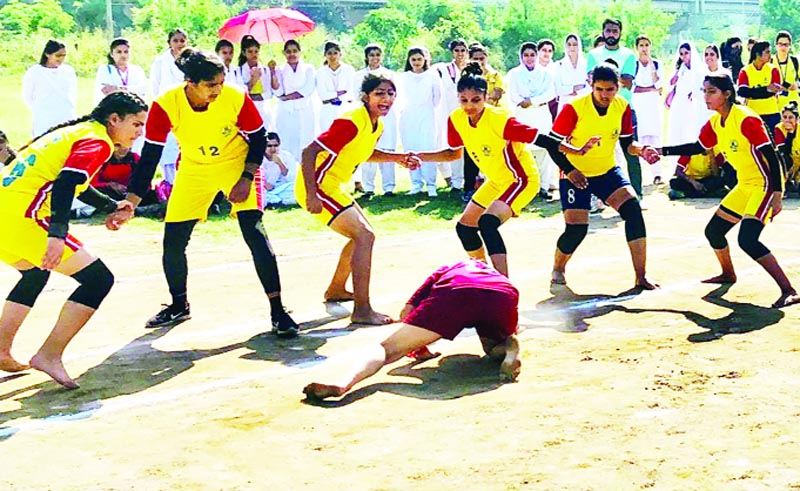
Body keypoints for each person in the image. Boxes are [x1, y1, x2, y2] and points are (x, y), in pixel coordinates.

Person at [110, 49, 300, 337]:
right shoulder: (165, 105)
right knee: (173, 240)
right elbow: (150, 156)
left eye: (221, 83)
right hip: (195, 168)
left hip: (237, 164)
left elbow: (259, 138)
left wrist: (246, 178)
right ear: (190, 82)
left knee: (255, 232)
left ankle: (278, 311)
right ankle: (178, 305)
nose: (218, 90)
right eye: (211, 85)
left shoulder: (235, 97)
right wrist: (131, 203)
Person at [0, 92, 147, 388]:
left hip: (6, 214)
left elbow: (71, 182)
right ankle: (49, 355)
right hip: (23, 218)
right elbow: (67, 183)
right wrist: (57, 234)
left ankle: (1, 350)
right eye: (136, 123)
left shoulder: (77, 132)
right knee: (98, 280)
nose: (139, 132)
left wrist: (110, 205)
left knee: (34, 274)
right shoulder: (98, 141)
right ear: (114, 119)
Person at [417, 63, 595, 277]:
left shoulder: (499, 119)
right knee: (464, 228)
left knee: (488, 223)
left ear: (485, 97)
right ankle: (483, 277)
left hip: (521, 179)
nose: (469, 106)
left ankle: (503, 284)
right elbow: (453, 153)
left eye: (476, 100)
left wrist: (575, 151)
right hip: (496, 181)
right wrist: (419, 157)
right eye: (464, 100)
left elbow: (544, 139)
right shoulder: (456, 119)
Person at [659, 74, 800, 308]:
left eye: (711, 91)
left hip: (765, 185)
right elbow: (697, 147)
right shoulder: (715, 122)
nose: (706, 96)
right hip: (745, 184)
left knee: (748, 239)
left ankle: (789, 289)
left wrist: (777, 194)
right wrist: (659, 150)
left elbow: (772, 157)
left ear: (726, 94)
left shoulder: (745, 119)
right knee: (714, 231)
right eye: (704, 91)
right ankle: (728, 274)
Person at [297, 74, 420, 325]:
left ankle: (336, 290)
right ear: (366, 97)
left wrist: (397, 158)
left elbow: (364, 151)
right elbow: (309, 151)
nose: (386, 99)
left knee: (362, 236)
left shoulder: (376, 124)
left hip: (332, 186)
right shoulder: (352, 121)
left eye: (390, 93)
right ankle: (362, 310)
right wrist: (311, 193)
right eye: (379, 93)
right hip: (319, 185)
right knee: (365, 236)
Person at [302, 259, 522, 400]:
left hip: (456, 291)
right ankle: (511, 349)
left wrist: (419, 344)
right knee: (494, 348)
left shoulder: (449, 268)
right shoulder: (497, 277)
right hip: (503, 294)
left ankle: (344, 382)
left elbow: (406, 313)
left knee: (386, 349)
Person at [546, 63, 660, 289]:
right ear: (591, 85)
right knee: (577, 229)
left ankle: (641, 275)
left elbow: (627, 142)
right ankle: (558, 268)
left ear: (618, 87)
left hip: (607, 170)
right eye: (599, 89)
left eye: (610, 89)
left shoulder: (622, 106)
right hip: (574, 173)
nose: (604, 95)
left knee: (633, 210)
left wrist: (642, 150)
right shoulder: (574, 108)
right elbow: (552, 144)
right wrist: (570, 171)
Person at [586, 18, 643, 198]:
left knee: (631, 151)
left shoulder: (628, 55)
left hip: (624, 108)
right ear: (603, 32)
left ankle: (637, 193)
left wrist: (603, 79)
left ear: (620, 33)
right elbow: (591, 80)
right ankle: (595, 197)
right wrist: (611, 81)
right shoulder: (593, 55)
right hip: (597, 109)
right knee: (594, 150)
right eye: (608, 31)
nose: (611, 34)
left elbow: (627, 82)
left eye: (615, 31)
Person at [507, 42, 557, 200]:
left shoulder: (546, 73)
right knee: (524, 151)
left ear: (537, 55)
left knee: (544, 150)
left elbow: (550, 93)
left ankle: (543, 186)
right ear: (521, 57)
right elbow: (513, 94)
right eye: (526, 55)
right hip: (523, 115)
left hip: (541, 113)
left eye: (532, 55)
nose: (529, 58)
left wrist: (533, 101)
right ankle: (527, 186)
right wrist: (524, 102)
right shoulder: (514, 74)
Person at [353, 44, 398, 197]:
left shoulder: (389, 75)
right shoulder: (359, 75)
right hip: (367, 117)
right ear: (366, 57)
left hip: (387, 116)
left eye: (378, 55)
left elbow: (395, 95)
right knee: (367, 150)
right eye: (372, 55)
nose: (375, 58)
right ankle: (368, 187)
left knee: (387, 150)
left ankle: (389, 187)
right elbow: (356, 96)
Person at [398, 47, 442, 197]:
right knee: (411, 148)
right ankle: (416, 183)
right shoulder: (403, 77)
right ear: (409, 61)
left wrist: (426, 108)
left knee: (428, 148)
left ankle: (431, 184)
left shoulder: (432, 76)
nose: (416, 62)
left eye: (419, 59)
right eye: (413, 59)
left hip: (427, 115)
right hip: (408, 117)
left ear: (425, 60)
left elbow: (437, 97)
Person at [149, 28, 188, 186]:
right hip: (167, 107)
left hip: (187, 108)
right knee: (169, 147)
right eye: (176, 41)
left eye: (182, 41)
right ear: (169, 43)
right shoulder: (161, 62)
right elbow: (155, 86)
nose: (179, 44)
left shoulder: (191, 60)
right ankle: (170, 183)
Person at [433, 39, 469, 194]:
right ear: (452, 52)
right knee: (455, 146)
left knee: (470, 148)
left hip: (469, 112)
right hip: (450, 113)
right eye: (457, 50)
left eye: (462, 50)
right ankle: (455, 181)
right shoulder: (444, 69)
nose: (460, 54)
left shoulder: (471, 69)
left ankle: (473, 180)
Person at [22, 40, 77, 138]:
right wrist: (40, 109)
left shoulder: (68, 71)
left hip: (66, 115)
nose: (61, 59)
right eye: (58, 55)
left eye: (64, 55)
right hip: (44, 117)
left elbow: (73, 92)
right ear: (48, 54)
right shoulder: (35, 71)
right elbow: (27, 96)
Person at [274, 40, 317, 162]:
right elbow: (278, 92)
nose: (292, 54)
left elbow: (308, 89)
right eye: (288, 52)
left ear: (300, 52)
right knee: (286, 139)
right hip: (285, 111)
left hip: (304, 109)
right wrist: (272, 73)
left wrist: (288, 97)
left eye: (294, 51)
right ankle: (287, 169)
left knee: (305, 139)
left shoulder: (308, 69)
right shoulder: (279, 70)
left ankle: (304, 168)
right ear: (284, 53)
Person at [632, 35, 665, 185]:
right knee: (640, 138)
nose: (644, 48)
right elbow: (632, 87)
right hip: (639, 104)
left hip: (653, 104)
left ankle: (657, 173)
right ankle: (639, 176)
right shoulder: (633, 64)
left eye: (646, 45)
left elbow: (659, 85)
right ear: (637, 48)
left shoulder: (657, 64)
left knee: (655, 137)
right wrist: (648, 88)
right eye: (641, 45)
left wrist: (651, 64)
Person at [235, 35, 278, 131]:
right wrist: (253, 79)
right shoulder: (238, 71)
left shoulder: (265, 70)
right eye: (250, 51)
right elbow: (242, 92)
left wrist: (272, 71)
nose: (254, 54)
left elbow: (270, 92)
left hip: (264, 108)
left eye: (256, 51)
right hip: (248, 109)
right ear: (244, 53)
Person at [738, 40, 783, 130]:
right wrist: (766, 89)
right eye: (767, 52)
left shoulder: (773, 70)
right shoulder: (745, 71)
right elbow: (743, 92)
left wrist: (753, 93)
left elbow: (773, 92)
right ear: (758, 54)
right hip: (752, 113)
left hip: (772, 113)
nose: (770, 55)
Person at [316, 41, 356, 134]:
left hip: (345, 108)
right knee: (328, 138)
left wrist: (334, 96)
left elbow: (350, 92)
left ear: (340, 54)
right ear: (325, 55)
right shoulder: (320, 72)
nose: (332, 56)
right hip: (327, 110)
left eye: (335, 53)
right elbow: (323, 95)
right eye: (329, 53)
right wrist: (338, 93)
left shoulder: (349, 70)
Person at [93, 38, 148, 104]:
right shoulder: (105, 70)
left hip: (134, 110)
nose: (123, 55)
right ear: (111, 54)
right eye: (119, 52)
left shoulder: (137, 70)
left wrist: (117, 88)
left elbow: (142, 90)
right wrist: (131, 90)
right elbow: (106, 91)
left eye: (126, 52)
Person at [554, 33, 589, 113]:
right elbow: (558, 89)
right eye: (569, 44)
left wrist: (578, 92)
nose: (572, 47)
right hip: (565, 105)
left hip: (583, 104)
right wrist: (572, 89)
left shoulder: (586, 64)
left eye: (574, 44)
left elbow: (590, 86)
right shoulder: (559, 65)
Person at [261, 132, 298, 207]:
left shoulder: (286, 156)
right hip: (263, 188)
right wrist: (264, 184)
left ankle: (275, 200)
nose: (273, 149)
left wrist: (280, 163)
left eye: (275, 145)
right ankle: (275, 200)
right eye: (269, 146)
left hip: (281, 187)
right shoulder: (258, 158)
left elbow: (291, 178)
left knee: (295, 188)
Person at [774, 101, 800, 196]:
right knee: (782, 158)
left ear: (797, 119)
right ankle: (785, 183)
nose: (787, 120)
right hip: (789, 162)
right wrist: (790, 134)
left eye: (791, 117)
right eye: (784, 117)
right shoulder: (779, 128)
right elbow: (783, 151)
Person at [771, 31, 800, 108]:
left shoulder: (795, 61)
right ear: (776, 45)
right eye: (780, 44)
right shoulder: (769, 62)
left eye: (786, 45)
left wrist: (797, 84)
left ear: (790, 46)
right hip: (774, 104)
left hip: (793, 104)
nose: (783, 47)